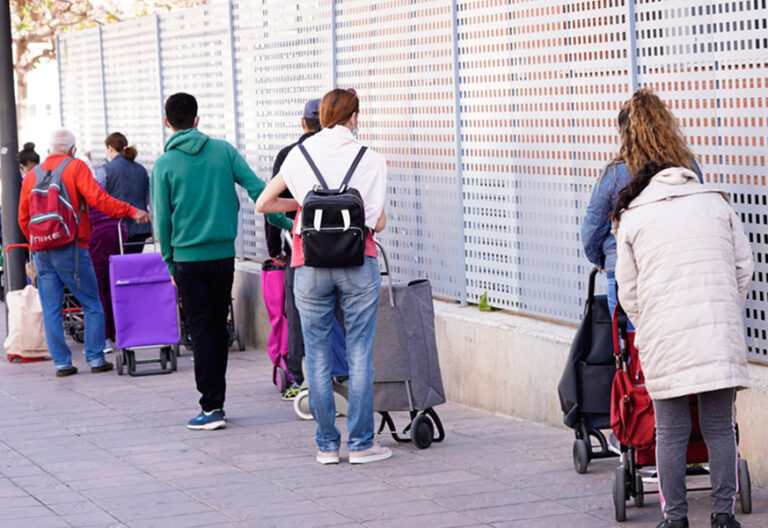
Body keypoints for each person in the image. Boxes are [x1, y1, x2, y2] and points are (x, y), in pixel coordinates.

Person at [613, 160, 753, 528]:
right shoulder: (716, 202)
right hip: (717, 333)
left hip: (664, 336)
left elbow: (627, 289)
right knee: (720, 426)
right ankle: (723, 516)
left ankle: (675, 519)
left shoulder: (634, 215)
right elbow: (744, 266)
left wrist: (650, 324)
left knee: (670, 433)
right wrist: (725, 310)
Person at [256, 88, 389, 465]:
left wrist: (302, 206)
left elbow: (264, 203)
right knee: (360, 352)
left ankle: (327, 446)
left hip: (308, 263)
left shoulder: (299, 155)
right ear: (354, 117)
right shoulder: (371, 159)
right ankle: (362, 444)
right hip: (357, 262)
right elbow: (376, 220)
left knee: (316, 355)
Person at [151, 92, 293, 431]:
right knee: (217, 327)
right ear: (197, 120)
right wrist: (292, 225)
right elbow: (260, 191)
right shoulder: (224, 151)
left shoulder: (163, 165)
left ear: (167, 123)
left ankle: (211, 405)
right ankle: (217, 402)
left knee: (201, 331)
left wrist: (169, 263)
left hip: (186, 260)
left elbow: (162, 222)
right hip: (222, 257)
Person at [17, 128, 150, 377]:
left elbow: (23, 218)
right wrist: (131, 211)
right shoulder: (75, 167)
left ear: (48, 151)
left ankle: (62, 364)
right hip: (73, 248)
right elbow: (99, 199)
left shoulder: (32, 176)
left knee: (52, 308)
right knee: (91, 302)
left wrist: (40, 240)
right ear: (72, 150)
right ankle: (96, 358)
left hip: (41, 250)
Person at [582, 88, 702, 318]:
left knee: (631, 343)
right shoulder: (687, 167)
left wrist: (608, 260)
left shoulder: (614, 175)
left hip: (624, 274)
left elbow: (591, 232)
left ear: (625, 133)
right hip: (677, 266)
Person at [264, 98, 321, 398]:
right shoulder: (337, 153)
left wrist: (274, 247)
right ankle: (338, 372)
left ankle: (298, 375)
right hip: (342, 250)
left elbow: (269, 207)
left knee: (298, 312)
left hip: (299, 247)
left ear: (303, 123)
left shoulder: (289, 155)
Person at [95, 132, 152, 254]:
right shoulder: (141, 169)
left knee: (118, 267)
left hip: (115, 228)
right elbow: (146, 198)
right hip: (140, 227)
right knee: (135, 264)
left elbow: (98, 199)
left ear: (110, 148)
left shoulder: (104, 170)